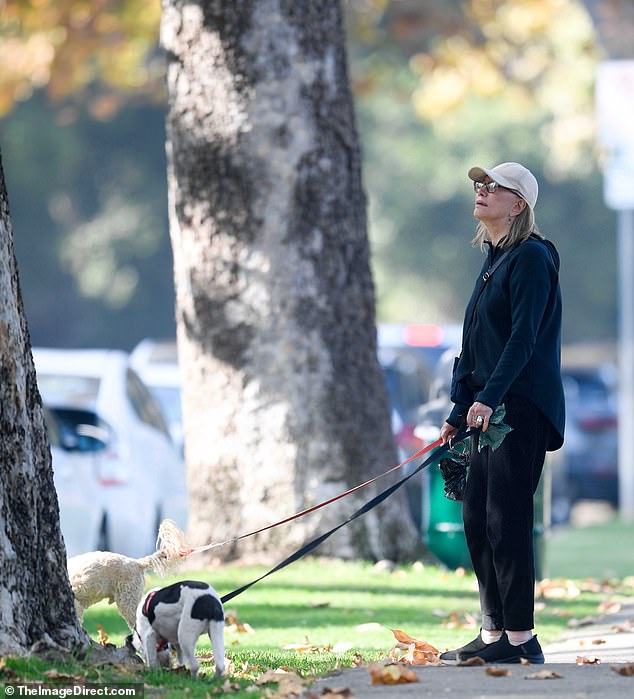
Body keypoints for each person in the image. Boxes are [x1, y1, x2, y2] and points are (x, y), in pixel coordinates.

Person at [438, 162, 565, 665]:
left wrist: (489, 397)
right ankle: (492, 635)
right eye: (479, 185)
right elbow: (475, 344)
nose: (482, 191)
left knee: (505, 518)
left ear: (519, 204)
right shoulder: (494, 260)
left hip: (521, 407)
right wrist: (458, 406)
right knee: (475, 516)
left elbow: (522, 338)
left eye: (494, 187)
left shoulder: (532, 258)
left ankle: (521, 639)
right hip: (487, 408)